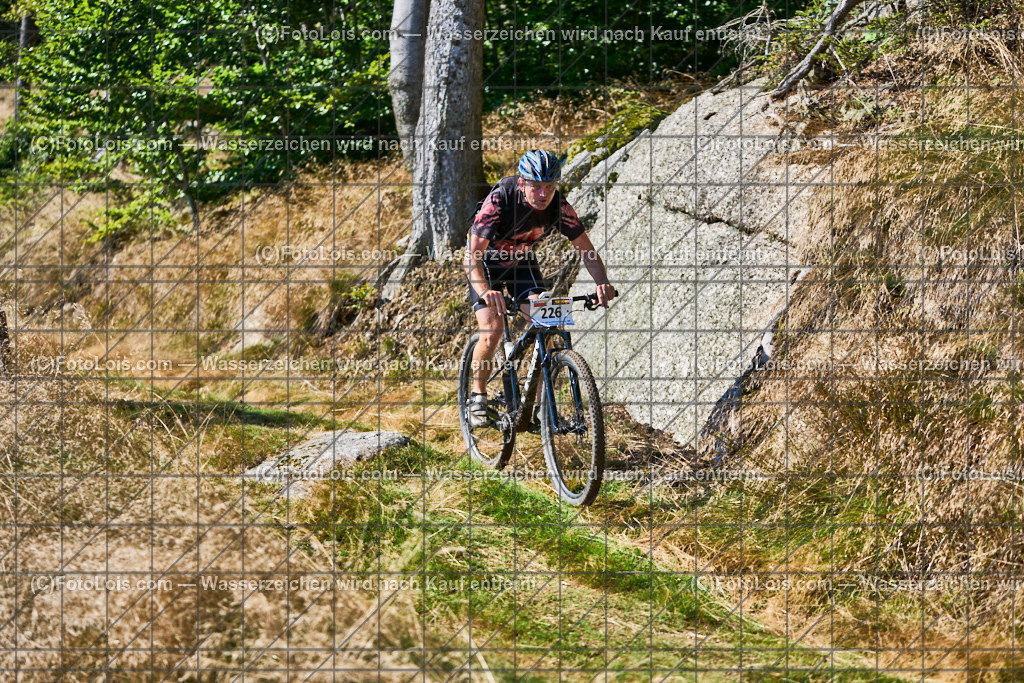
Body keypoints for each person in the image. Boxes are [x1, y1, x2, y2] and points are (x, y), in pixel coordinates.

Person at [463, 149, 616, 428]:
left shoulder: (558, 205)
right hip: (485, 263)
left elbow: (586, 249)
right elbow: (472, 254)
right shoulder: (502, 198)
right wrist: (486, 291)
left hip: (521, 263)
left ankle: (541, 405)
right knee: (492, 327)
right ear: (522, 183)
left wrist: (601, 283)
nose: (543, 193)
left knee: (548, 318)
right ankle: (477, 397)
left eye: (550, 186)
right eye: (536, 186)